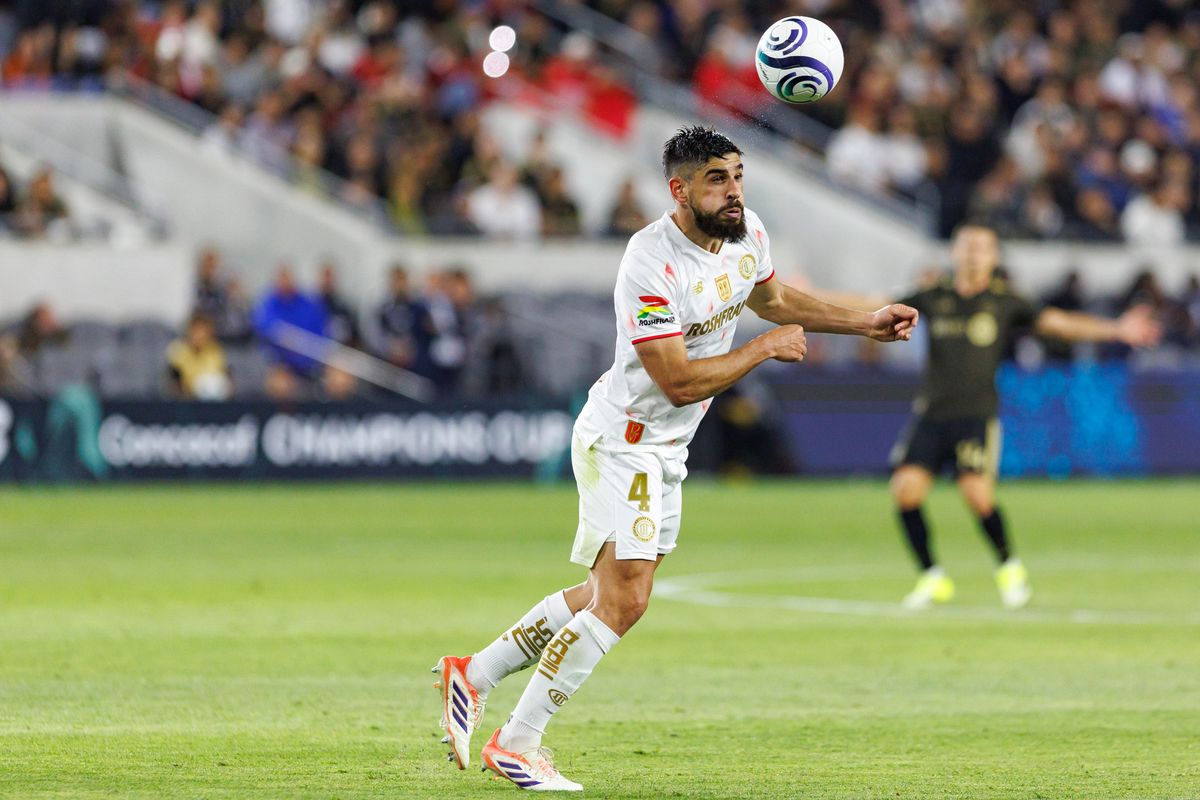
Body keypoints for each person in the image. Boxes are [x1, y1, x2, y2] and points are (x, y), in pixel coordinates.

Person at [433, 126, 920, 791]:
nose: (733, 190)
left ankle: (476, 673)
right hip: (623, 439)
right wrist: (762, 349)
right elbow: (678, 380)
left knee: (607, 595)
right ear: (679, 189)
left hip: (668, 447)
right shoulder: (648, 262)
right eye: (717, 179)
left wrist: (864, 322)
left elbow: (773, 298)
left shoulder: (748, 235)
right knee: (625, 601)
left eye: (738, 175)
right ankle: (518, 742)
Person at [813, 224, 1160, 611]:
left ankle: (1009, 567)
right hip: (932, 412)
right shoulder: (933, 295)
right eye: (968, 246)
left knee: (977, 496)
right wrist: (808, 294)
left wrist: (1116, 329)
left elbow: (1058, 323)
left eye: (983, 248)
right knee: (905, 490)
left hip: (976, 415)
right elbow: (873, 303)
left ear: (994, 257)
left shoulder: (1005, 301)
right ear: (955, 252)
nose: (975, 253)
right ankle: (932, 577)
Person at [166, 312, 231, 400]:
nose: (200, 335)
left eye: (203, 331)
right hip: (187, 402)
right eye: (196, 331)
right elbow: (173, 385)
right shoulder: (178, 351)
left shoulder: (216, 351)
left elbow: (227, 382)